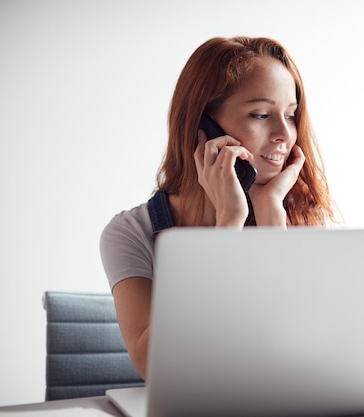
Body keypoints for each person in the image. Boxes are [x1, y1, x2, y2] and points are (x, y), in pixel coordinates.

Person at [100, 36, 338, 379]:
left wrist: (272, 221)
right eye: (259, 114)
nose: (284, 134)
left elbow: (305, 359)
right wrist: (228, 223)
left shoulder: (300, 221)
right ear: (204, 126)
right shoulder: (131, 233)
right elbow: (156, 366)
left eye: (290, 114)